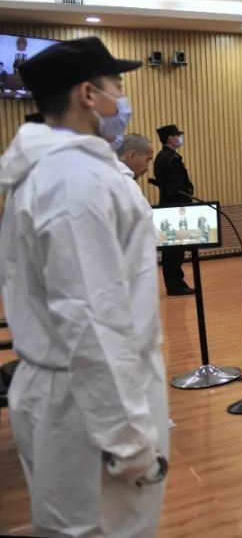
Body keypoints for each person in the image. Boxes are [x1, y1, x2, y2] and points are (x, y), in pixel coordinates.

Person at [0, 36, 169, 537]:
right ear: (88, 95)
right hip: (86, 406)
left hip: (85, 394)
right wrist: (128, 442)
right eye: (116, 85)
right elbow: (90, 318)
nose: (122, 97)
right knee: (99, 527)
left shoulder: (70, 171)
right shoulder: (72, 182)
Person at [154, 123, 195, 295]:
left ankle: (175, 283)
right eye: (178, 135)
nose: (180, 138)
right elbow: (178, 187)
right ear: (171, 138)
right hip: (175, 208)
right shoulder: (170, 159)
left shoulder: (164, 157)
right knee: (174, 251)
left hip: (170, 207)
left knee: (173, 250)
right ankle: (175, 285)